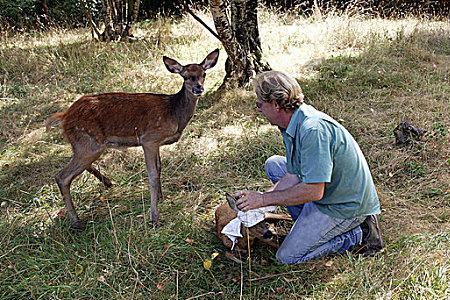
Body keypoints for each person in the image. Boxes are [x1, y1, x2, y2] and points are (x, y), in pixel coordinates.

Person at [235, 71, 384, 264]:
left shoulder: (313, 130)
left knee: (287, 257)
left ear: (276, 104)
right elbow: (293, 174)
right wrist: (258, 202)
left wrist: (264, 199)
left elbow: (314, 191)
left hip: (345, 205)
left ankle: (358, 233)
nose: (259, 110)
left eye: (260, 104)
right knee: (274, 164)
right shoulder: (290, 122)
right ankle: (307, 225)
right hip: (330, 190)